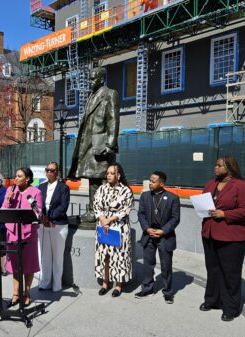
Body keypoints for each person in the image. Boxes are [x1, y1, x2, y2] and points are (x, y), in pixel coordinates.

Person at [200, 156, 245, 322]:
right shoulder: (211, 184)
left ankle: (231, 308)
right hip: (209, 233)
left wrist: (225, 214)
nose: (215, 168)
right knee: (212, 270)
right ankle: (212, 300)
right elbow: (204, 202)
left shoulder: (242, 185)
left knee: (230, 273)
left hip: (232, 237)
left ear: (229, 168)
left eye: (219, 165)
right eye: (215, 165)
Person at [67, 67, 119, 223]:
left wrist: (110, 144)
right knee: (91, 178)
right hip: (88, 143)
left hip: (100, 145)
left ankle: (97, 211)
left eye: (92, 79)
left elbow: (113, 120)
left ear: (101, 79)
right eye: (89, 79)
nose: (90, 82)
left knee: (98, 179)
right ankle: (94, 210)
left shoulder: (110, 94)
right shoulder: (91, 96)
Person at [135, 171, 180, 303]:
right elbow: (141, 214)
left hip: (164, 236)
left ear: (162, 183)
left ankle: (168, 292)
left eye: (153, 181)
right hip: (148, 235)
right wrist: (146, 228)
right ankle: (147, 289)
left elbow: (175, 218)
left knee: (166, 265)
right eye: (150, 180)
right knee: (148, 264)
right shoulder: (144, 196)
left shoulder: (172, 198)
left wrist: (162, 231)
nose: (150, 183)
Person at [2, 167, 41, 307]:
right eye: (16, 176)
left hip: (28, 234)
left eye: (19, 176)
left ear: (27, 178)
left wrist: (35, 210)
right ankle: (16, 293)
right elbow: (4, 210)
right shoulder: (10, 191)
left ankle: (27, 293)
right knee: (15, 266)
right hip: (12, 233)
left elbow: (39, 213)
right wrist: (8, 200)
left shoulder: (35, 192)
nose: (16, 178)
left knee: (28, 266)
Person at [93, 163, 133, 297]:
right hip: (103, 226)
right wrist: (102, 219)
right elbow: (96, 205)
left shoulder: (126, 190)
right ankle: (105, 283)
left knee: (118, 256)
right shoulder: (101, 188)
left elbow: (125, 210)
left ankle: (118, 285)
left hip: (119, 227)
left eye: (112, 173)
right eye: (108, 173)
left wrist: (109, 220)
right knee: (105, 256)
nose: (109, 175)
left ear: (119, 175)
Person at [38, 162, 70, 292]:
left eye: (52, 170)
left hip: (58, 225)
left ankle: (57, 284)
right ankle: (45, 282)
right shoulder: (41, 187)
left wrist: (50, 218)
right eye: (48, 170)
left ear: (57, 172)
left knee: (57, 256)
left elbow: (63, 207)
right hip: (43, 225)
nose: (49, 172)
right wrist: (43, 219)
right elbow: (38, 205)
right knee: (45, 255)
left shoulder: (63, 188)